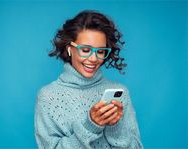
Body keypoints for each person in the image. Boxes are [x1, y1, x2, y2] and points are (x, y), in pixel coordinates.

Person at [35, 10, 143, 149]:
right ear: (69, 48)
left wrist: (115, 128)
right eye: (85, 50)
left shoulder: (120, 92)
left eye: (100, 51)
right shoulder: (48, 96)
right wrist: (91, 126)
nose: (93, 59)